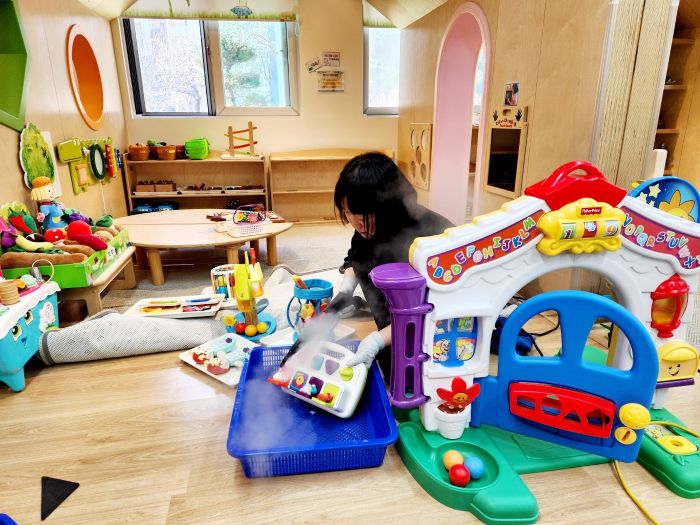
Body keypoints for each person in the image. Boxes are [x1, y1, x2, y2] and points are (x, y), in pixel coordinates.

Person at [327, 152, 453, 377]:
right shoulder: (368, 228)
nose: (355, 223)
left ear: (387, 205)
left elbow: (432, 313)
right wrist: (346, 290)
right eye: (347, 213)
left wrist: (377, 340)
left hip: (431, 349)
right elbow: (354, 257)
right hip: (390, 334)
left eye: (361, 215)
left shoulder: (430, 240)